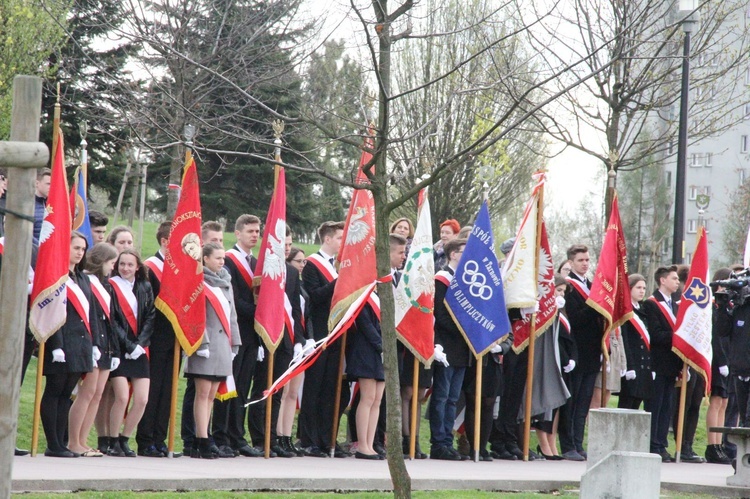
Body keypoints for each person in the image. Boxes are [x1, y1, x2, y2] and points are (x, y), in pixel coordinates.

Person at [346, 237, 405, 459]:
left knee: (378, 400)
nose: (403, 256)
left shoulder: (389, 283)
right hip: (366, 348)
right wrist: (380, 344)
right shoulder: (367, 284)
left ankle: (370, 445)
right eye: (399, 252)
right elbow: (363, 320)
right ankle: (362, 445)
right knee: (368, 398)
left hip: (383, 349)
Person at [41, 231, 98, 457]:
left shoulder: (82, 278)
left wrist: (93, 345)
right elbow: (51, 312)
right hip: (61, 342)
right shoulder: (56, 276)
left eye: (82, 249)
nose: (79, 253)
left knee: (67, 394)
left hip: (81, 342)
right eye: (76, 248)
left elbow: (90, 312)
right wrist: (56, 345)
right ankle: (53, 443)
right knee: (54, 391)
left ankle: (62, 442)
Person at [212, 214, 263, 457]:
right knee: (226, 387)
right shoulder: (229, 261)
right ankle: (221, 436)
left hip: (251, 335)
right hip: (231, 332)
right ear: (238, 233)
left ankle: (237, 435)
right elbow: (232, 300)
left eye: (257, 231)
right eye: (250, 231)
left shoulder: (256, 263)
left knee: (242, 387)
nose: (255, 235)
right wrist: (259, 312)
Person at [297, 221, 348, 458]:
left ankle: (328, 439)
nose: (342, 242)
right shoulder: (312, 265)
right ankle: (308, 439)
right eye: (339, 238)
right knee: (314, 387)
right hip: (318, 333)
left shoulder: (341, 266)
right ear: (327, 239)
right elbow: (313, 298)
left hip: (339, 333)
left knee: (332, 389)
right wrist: (339, 282)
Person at [186, 243, 241, 459]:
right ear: (205, 259)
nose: (221, 262)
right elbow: (196, 316)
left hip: (223, 346)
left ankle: (205, 437)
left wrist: (235, 343)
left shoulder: (226, 282)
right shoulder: (199, 283)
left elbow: (232, 316)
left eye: (223, 258)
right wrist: (201, 344)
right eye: (217, 258)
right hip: (205, 346)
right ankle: (201, 439)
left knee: (212, 395)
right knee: (202, 393)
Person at [67, 243, 119, 457]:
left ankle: (84, 440)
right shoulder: (87, 281)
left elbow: (111, 320)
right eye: (111, 263)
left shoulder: (106, 284)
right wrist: (94, 344)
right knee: (86, 393)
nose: (113, 268)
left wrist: (113, 349)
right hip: (93, 342)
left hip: (106, 345)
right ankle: (73, 441)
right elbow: (90, 316)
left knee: (97, 395)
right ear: (101, 261)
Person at [137, 222, 180, 457]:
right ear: (165, 241)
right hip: (156, 339)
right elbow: (148, 307)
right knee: (152, 392)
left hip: (175, 339)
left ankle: (160, 438)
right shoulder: (151, 267)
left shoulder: (180, 269)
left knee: (167, 392)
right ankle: (146, 439)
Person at [107, 249, 155, 457]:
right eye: (122, 264)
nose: (125, 268)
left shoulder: (145, 286)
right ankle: (113, 440)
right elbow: (112, 320)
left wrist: (140, 344)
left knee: (142, 399)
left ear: (137, 266)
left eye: (130, 264)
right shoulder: (110, 286)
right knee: (122, 397)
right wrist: (128, 345)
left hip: (139, 350)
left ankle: (126, 438)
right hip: (119, 349)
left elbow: (151, 316)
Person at [560, 244, 603, 461]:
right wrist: (594, 305)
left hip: (593, 349)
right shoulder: (569, 286)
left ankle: (578, 442)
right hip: (576, 350)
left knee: (585, 400)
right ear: (571, 263)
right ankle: (567, 444)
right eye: (580, 260)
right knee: (573, 399)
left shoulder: (591, 284)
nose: (585, 263)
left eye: (587, 260)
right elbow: (574, 318)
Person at [429, 237, 470, 460]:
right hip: (446, 345)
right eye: (465, 251)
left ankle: (447, 440)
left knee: (453, 397)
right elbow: (440, 315)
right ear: (453, 254)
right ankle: (438, 443)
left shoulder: (465, 280)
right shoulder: (442, 279)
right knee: (442, 395)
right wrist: (465, 328)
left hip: (462, 347)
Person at [276, 245, 315, 456]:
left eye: (303, 262)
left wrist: (306, 339)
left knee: (293, 393)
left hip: (299, 341)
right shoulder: (284, 280)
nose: (302, 266)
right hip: (285, 341)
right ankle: (278, 434)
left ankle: (287, 437)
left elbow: (302, 314)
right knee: (283, 392)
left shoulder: (299, 285)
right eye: (298, 261)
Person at [642, 265, 681, 462]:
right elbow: (655, 335)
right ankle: (652, 444)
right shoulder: (651, 304)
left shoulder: (675, 304)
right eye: (674, 278)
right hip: (657, 363)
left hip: (672, 364)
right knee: (655, 405)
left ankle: (661, 443)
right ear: (662, 280)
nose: (678, 282)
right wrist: (678, 336)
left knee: (667, 406)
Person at [705, 268, 732, 464]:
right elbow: (716, 337)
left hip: (729, 360)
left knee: (724, 403)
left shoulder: (728, 306)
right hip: (717, 359)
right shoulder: (712, 305)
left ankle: (720, 444)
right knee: (716, 402)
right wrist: (722, 361)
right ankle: (712, 445)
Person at [617, 274, 654, 410]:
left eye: (644, 288)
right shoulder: (626, 311)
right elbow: (625, 340)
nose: (642, 291)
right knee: (627, 404)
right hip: (632, 363)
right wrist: (629, 366)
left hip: (643, 365)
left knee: (637, 404)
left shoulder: (642, 310)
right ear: (629, 289)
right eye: (638, 287)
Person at [32, 168, 51, 244]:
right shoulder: (27, 206)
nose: (51, 187)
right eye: (48, 184)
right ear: (37, 183)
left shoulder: (52, 205)